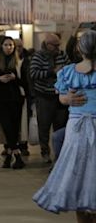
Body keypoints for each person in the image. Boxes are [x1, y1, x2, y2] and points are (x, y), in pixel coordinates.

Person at [33, 30, 96, 223]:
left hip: (75, 127)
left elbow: (61, 98)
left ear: (79, 48)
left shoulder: (67, 71)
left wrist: (66, 99)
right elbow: (62, 98)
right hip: (78, 127)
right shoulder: (68, 71)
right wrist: (67, 99)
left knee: (77, 171)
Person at [0, 36, 28, 169]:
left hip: (16, 100)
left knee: (14, 130)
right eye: (6, 45)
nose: (8, 47)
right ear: (1, 47)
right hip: (0, 100)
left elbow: (26, 83)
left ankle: (9, 157)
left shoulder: (19, 63)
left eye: (11, 45)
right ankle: (17, 156)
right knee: (7, 128)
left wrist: (15, 78)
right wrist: (0, 80)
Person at [30, 33, 70, 163]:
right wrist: (52, 71)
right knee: (44, 126)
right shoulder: (38, 56)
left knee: (60, 126)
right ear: (47, 45)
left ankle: (59, 154)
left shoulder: (62, 54)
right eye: (55, 45)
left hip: (60, 96)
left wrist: (64, 71)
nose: (58, 48)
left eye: (59, 45)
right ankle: (45, 152)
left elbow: (69, 68)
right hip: (44, 97)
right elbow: (33, 73)